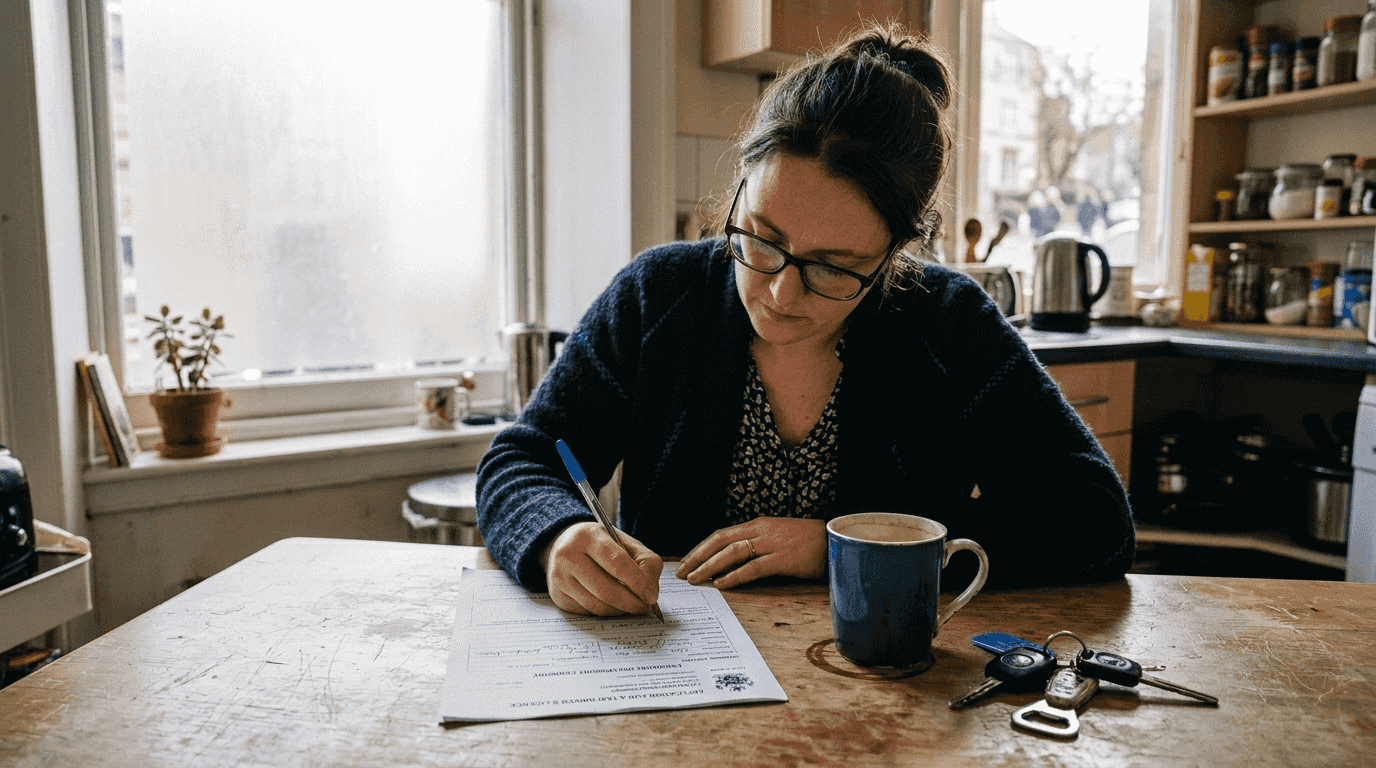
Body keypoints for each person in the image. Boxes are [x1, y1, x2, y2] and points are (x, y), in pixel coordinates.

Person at [476, 24, 1135, 617]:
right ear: (739, 185)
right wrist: (556, 535)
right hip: (673, 680)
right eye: (760, 238)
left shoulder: (947, 323)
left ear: (894, 254)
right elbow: (522, 459)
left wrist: (849, 546)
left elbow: (1094, 520)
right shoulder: (659, 297)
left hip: (885, 699)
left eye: (832, 267)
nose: (779, 292)